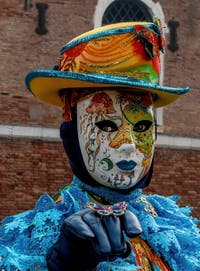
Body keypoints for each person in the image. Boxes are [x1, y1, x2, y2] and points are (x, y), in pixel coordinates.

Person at [0, 17, 199, 271]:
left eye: (141, 127)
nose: (128, 145)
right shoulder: (32, 236)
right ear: (71, 135)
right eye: (107, 125)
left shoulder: (172, 224)